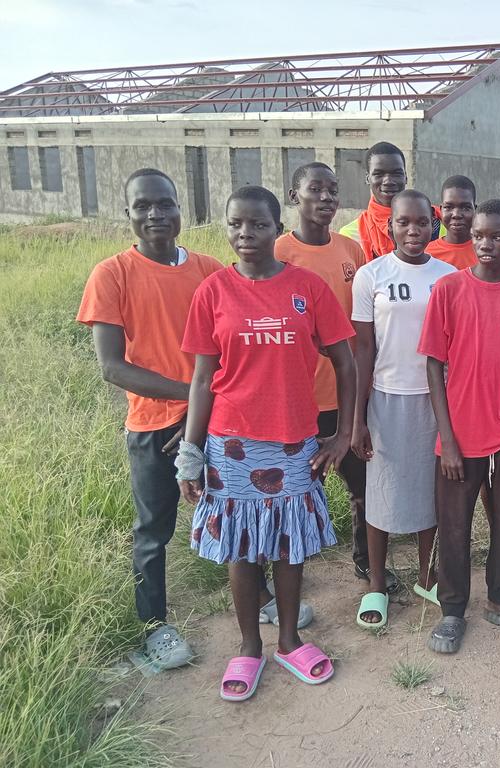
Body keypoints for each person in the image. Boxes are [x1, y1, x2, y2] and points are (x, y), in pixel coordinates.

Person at [176, 186, 356, 701]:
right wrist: (190, 454)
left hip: (295, 438)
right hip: (230, 443)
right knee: (241, 546)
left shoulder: (308, 288)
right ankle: (249, 646)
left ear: (277, 228)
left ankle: (290, 640)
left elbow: (345, 360)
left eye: (257, 225)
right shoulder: (213, 292)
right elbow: (202, 376)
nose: (245, 235)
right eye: (235, 225)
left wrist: (344, 431)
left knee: (289, 540)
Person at [76, 168, 222, 673]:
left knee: (236, 510)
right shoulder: (111, 274)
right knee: (153, 530)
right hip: (153, 425)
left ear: (182, 209)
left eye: (165, 204)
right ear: (129, 215)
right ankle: (154, 628)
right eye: (143, 206)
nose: (155, 215)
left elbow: (232, 345)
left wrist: (203, 412)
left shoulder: (208, 270)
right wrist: (193, 400)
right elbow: (112, 367)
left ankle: (259, 595)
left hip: (216, 419)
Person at [418, 199, 500, 655]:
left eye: (497, 236)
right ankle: (452, 610)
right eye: (479, 236)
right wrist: (448, 440)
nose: (487, 244)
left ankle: (499, 600)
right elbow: (434, 366)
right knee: (454, 526)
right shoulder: (449, 290)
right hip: (459, 437)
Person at [277, 161, 397, 600]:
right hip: (296, 401)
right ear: (295, 196)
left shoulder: (351, 253)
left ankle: (368, 568)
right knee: (293, 493)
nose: (326, 198)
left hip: (346, 394)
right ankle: (286, 583)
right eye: (315, 190)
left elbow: (366, 328)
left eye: (332, 190)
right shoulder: (276, 254)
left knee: (363, 488)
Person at [350, 190, 457, 628]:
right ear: (389, 226)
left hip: (436, 399)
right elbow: (362, 351)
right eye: (403, 223)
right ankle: (376, 584)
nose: (413, 231)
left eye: (421, 223)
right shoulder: (370, 276)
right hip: (386, 397)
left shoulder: (448, 277)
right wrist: (356, 418)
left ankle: (428, 575)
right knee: (382, 490)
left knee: (429, 493)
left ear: (434, 226)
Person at [339, 142, 440, 262]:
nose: (388, 181)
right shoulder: (350, 235)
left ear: (406, 177)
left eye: (396, 173)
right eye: (379, 174)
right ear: (367, 178)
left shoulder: (437, 224)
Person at [426, 175, 500, 272]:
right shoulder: (427, 254)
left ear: (475, 210)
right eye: (449, 207)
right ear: (441, 209)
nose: (456, 214)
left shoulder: (494, 253)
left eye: (465, 207)